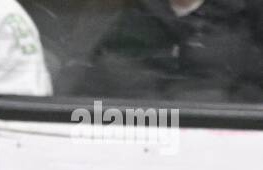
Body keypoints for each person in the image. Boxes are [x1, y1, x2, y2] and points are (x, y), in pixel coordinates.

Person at [65, 0, 263, 103]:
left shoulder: (247, 16)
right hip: (134, 132)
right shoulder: (127, 15)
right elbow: (88, 85)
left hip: (227, 139)